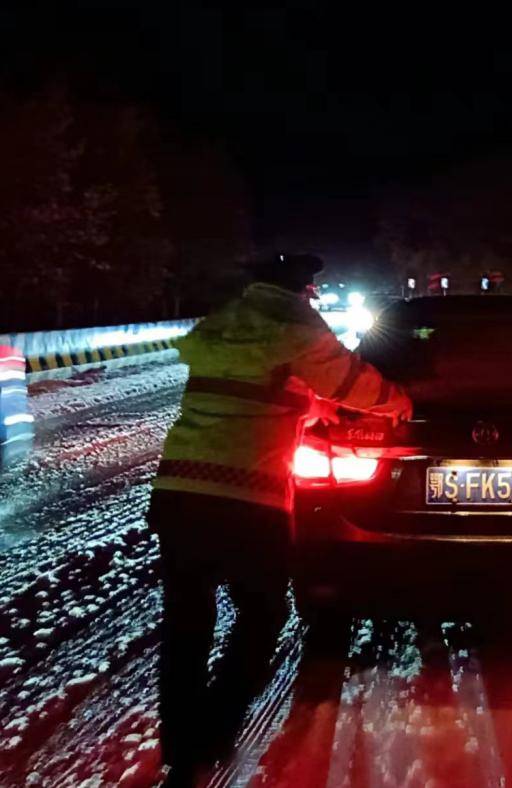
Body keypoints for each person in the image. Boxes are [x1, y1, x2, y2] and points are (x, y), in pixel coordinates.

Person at [147, 253, 412, 783]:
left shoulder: (224, 326)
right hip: (246, 497)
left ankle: (180, 741)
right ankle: (216, 728)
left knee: (186, 622)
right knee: (262, 614)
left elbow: (255, 393)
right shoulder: (295, 328)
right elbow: (352, 382)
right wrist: (400, 403)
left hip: (178, 492)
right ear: (303, 289)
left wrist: (313, 409)